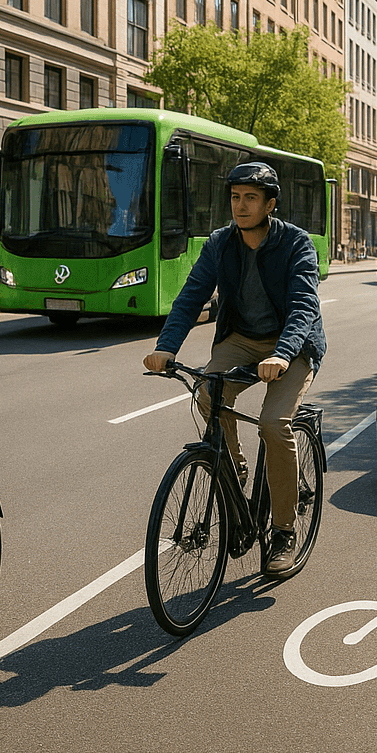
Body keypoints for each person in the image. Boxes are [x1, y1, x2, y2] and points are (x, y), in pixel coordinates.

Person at [142, 162, 326, 575]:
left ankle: (283, 531)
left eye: (251, 198)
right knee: (207, 393)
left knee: (273, 423)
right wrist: (165, 348)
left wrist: (281, 353)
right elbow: (191, 297)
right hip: (240, 339)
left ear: (269, 204)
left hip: (290, 346)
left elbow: (302, 306)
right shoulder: (220, 243)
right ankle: (234, 467)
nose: (240, 206)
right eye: (235, 197)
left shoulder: (296, 244)